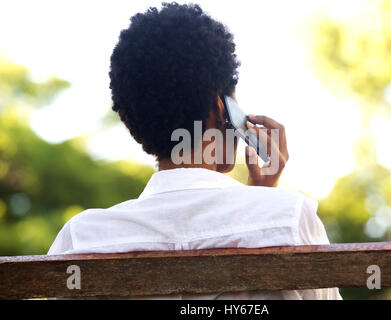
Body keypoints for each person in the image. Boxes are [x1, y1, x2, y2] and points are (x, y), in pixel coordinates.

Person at [48, 2, 342, 300]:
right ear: (219, 109)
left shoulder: (81, 238)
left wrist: (261, 197)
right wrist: (265, 199)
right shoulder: (289, 218)